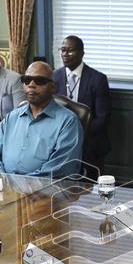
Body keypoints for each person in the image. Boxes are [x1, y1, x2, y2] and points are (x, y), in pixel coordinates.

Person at [0, 61, 83, 177]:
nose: (31, 85)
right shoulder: (12, 117)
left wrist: (19, 184)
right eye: (26, 80)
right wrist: (2, 178)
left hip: (45, 191)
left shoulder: (68, 121)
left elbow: (60, 168)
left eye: (39, 81)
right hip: (4, 186)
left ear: (53, 87)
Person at [53, 35, 111, 173]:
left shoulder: (97, 79)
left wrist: (78, 134)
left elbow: (103, 118)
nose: (65, 54)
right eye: (63, 50)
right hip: (59, 137)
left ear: (82, 53)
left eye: (70, 50)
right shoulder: (54, 77)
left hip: (90, 137)